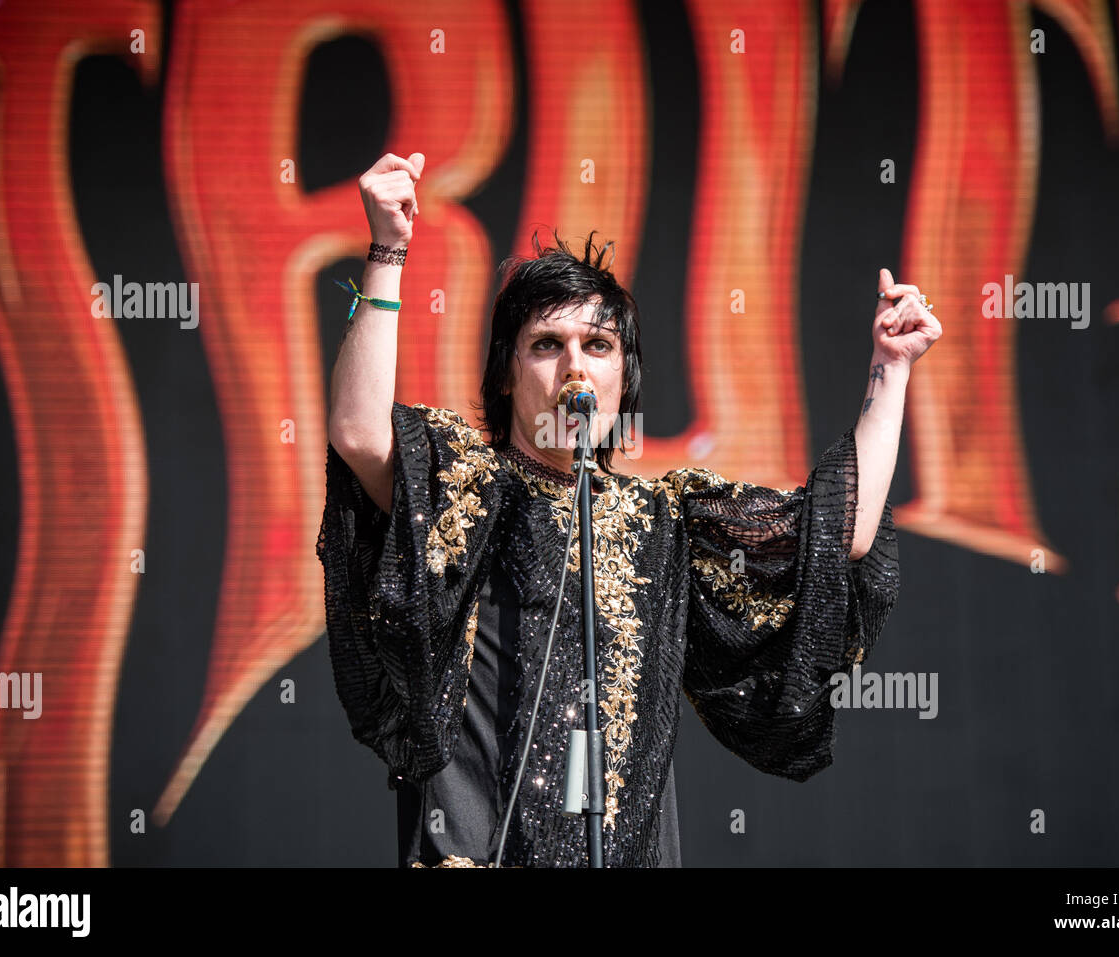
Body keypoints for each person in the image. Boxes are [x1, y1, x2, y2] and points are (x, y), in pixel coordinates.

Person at [316, 151, 939, 867]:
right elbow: (362, 432)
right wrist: (388, 251)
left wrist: (890, 369)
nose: (575, 365)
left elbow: (841, 533)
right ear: (507, 374)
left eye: (598, 344)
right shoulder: (464, 483)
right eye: (547, 344)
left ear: (624, 377)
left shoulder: (666, 519)